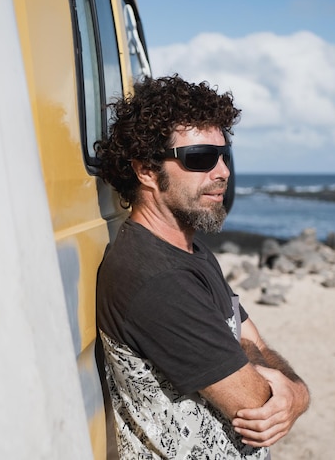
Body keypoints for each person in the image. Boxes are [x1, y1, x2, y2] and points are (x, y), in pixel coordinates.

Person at [95, 75, 309, 459]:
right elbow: (256, 401)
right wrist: (290, 388)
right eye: (199, 158)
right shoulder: (156, 279)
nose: (223, 172)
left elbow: (253, 340)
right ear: (145, 170)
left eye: (224, 155)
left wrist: (295, 392)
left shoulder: (190, 252)